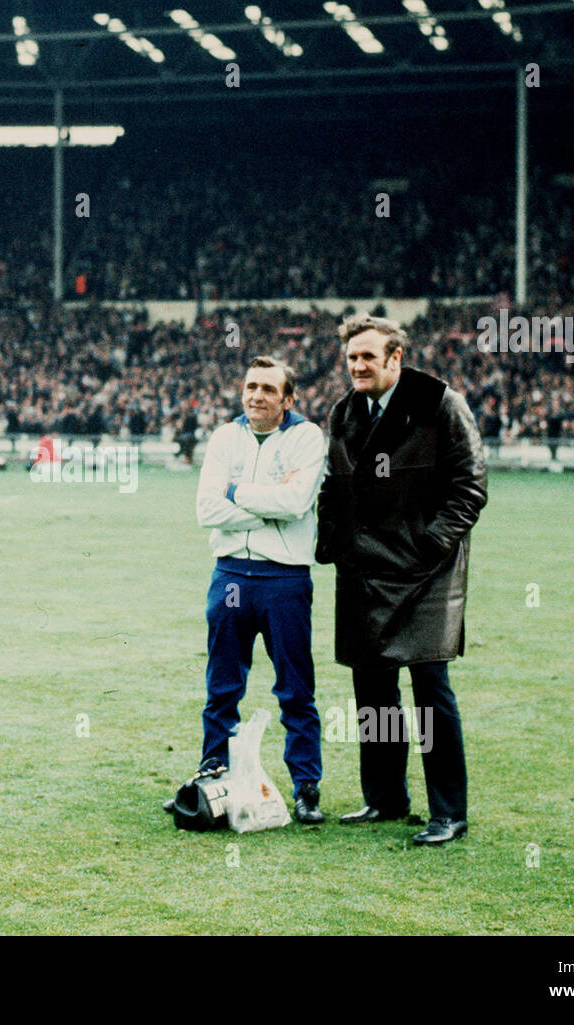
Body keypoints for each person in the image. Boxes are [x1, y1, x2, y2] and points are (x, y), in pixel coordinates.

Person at [315, 314, 487, 845]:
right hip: (363, 572)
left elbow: (471, 486)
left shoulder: (441, 404)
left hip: (425, 574)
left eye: (368, 356)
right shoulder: (344, 412)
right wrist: (332, 542)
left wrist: (430, 544)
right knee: (371, 692)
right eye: (351, 358)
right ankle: (385, 800)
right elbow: (333, 488)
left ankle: (449, 814)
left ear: (396, 358)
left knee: (431, 691)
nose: (358, 366)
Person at [167, 355, 327, 823]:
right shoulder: (224, 436)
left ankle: (306, 788)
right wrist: (268, 503)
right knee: (222, 687)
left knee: (296, 690)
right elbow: (205, 511)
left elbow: (297, 502)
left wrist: (236, 492)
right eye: (250, 387)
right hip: (231, 575)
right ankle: (211, 782)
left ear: (288, 399)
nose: (256, 396)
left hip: (284, 579)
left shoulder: (306, 437)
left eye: (268, 390)